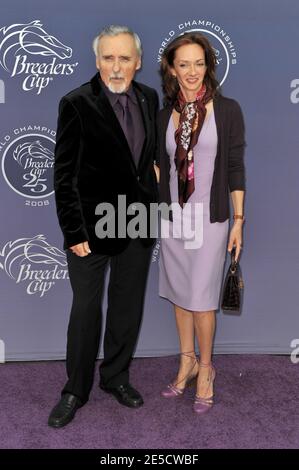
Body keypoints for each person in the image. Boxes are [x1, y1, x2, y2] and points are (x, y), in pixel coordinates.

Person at [48, 25, 159, 428]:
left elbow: (144, 160)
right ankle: (75, 389)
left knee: (127, 308)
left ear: (138, 61)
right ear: (97, 61)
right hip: (91, 229)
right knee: (85, 311)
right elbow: (63, 176)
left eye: (125, 58)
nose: (117, 66)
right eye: (109, 58)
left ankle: (116, 377)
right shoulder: (75, 102)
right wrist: (74, 231)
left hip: (139, 222)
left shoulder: (149, 97)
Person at [156, 32, 246, 414]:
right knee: (180, 294)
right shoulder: (163, 114)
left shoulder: (227, 110)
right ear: (172, 70)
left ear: (208, 65)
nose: (192, 72)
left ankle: (207, 368)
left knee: (202, 299)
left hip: (210, 219)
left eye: (199, 63)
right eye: (183, 64)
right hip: (173, 219)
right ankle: (186, 360)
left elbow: (235, 167)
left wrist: (239, 220)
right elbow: (157, 163)